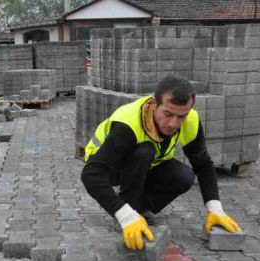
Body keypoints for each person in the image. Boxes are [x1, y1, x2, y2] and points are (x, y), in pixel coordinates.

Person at [81, 75, 241, 251]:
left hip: (147, 164)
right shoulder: (128, 125)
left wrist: (215, 209)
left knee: (184, 176)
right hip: (108, 165)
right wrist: (125, 216)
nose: (174, 123)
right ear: (154, 104)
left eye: (182, 116)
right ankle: (129, 213)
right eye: (167, 114)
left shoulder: (190, 120)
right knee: (144, 151)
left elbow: (203, 165)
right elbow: (91, 175)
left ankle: (139, 210)